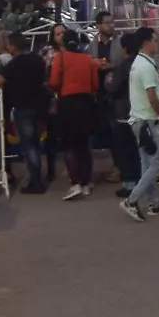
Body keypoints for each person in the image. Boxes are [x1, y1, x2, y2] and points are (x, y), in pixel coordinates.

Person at [120, 27, 159, 221]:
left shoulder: (138, 63)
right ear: (146, 42)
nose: (157, 43)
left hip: (138, 120)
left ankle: (153, 203)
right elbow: (152, 97)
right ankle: (131, 200)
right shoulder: (146, 67)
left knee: (147, 164)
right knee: (158, 164)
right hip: (148, 121)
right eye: (155, 40)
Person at [0, 33, 50, 194]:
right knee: (36, 144)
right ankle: (37, 177)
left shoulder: (14, 63)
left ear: (12, 46)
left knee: (29, 145)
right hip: (40, 106)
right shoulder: (38, 59)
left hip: (23, 107)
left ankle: (36, 182)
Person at [48, 31, 102, 200]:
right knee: (84, 144)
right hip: (86, 103)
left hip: (68, 103)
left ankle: (75, 183)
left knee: (69, 145)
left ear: (63, 43)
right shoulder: (88, 59)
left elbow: (54, 82)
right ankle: (86, 183)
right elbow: (95, 84)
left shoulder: (60, 58)